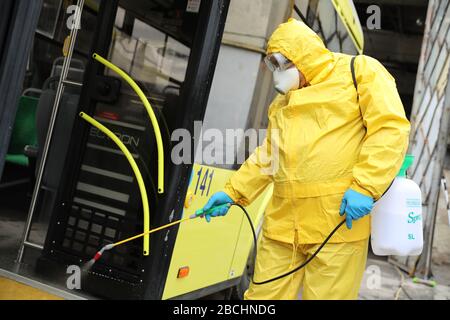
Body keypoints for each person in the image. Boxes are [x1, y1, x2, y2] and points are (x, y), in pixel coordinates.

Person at [199, 18, 410, 299]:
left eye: (280, 64)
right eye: (271, 66)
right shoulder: (282, 103)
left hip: (337, 225)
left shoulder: (359, 72)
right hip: (282, 226)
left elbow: (390, 129)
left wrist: (365, 187)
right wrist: (233, 192)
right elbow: (269, 156)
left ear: (302, 57)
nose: (276, 75)